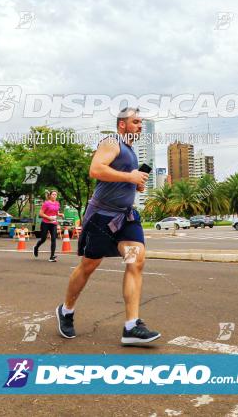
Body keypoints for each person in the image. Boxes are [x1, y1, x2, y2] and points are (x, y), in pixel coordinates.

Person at [55, 107, 160, 346]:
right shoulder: (112, 142)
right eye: (135, 122)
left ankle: (132, 326)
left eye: (141, 122)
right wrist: (129, 178)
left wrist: (135, 184)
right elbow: (96, 169)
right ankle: (66, 310)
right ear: (122, 124)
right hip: (101, 217)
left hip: (126, 217)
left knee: (136, 260)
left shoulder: (131, 151)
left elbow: (121, 176)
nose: (140, 126)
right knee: (89, 265)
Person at [34, 190, 61, 261]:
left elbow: (56, 212)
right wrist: (49, 218)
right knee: (43, 239)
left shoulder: (57, 203)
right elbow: (40, 214)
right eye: (53, 194)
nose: (54, 196)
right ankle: (36, 247)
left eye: (56, 195)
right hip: (45, 223)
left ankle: (52, 256)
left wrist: (60, 214)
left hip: (53, 223)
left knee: (54, 239)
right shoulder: (46, 203)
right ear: (50, 195)